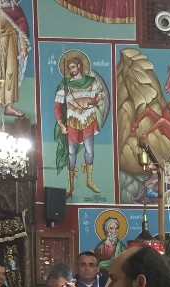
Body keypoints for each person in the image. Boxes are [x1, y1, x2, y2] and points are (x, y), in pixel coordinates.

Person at [54, 50, 109, 197]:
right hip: (72, 121)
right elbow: (57, 107)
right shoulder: (65, 85)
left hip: (88, 119)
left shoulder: (91, 82)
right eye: (69, 68)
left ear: (79, 66)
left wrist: (99, 98)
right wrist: (61, 124)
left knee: (89, 151)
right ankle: (70, 185)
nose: (71, 70)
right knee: (71, 153)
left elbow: (93, 101)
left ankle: (89, 181)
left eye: (73, 67)